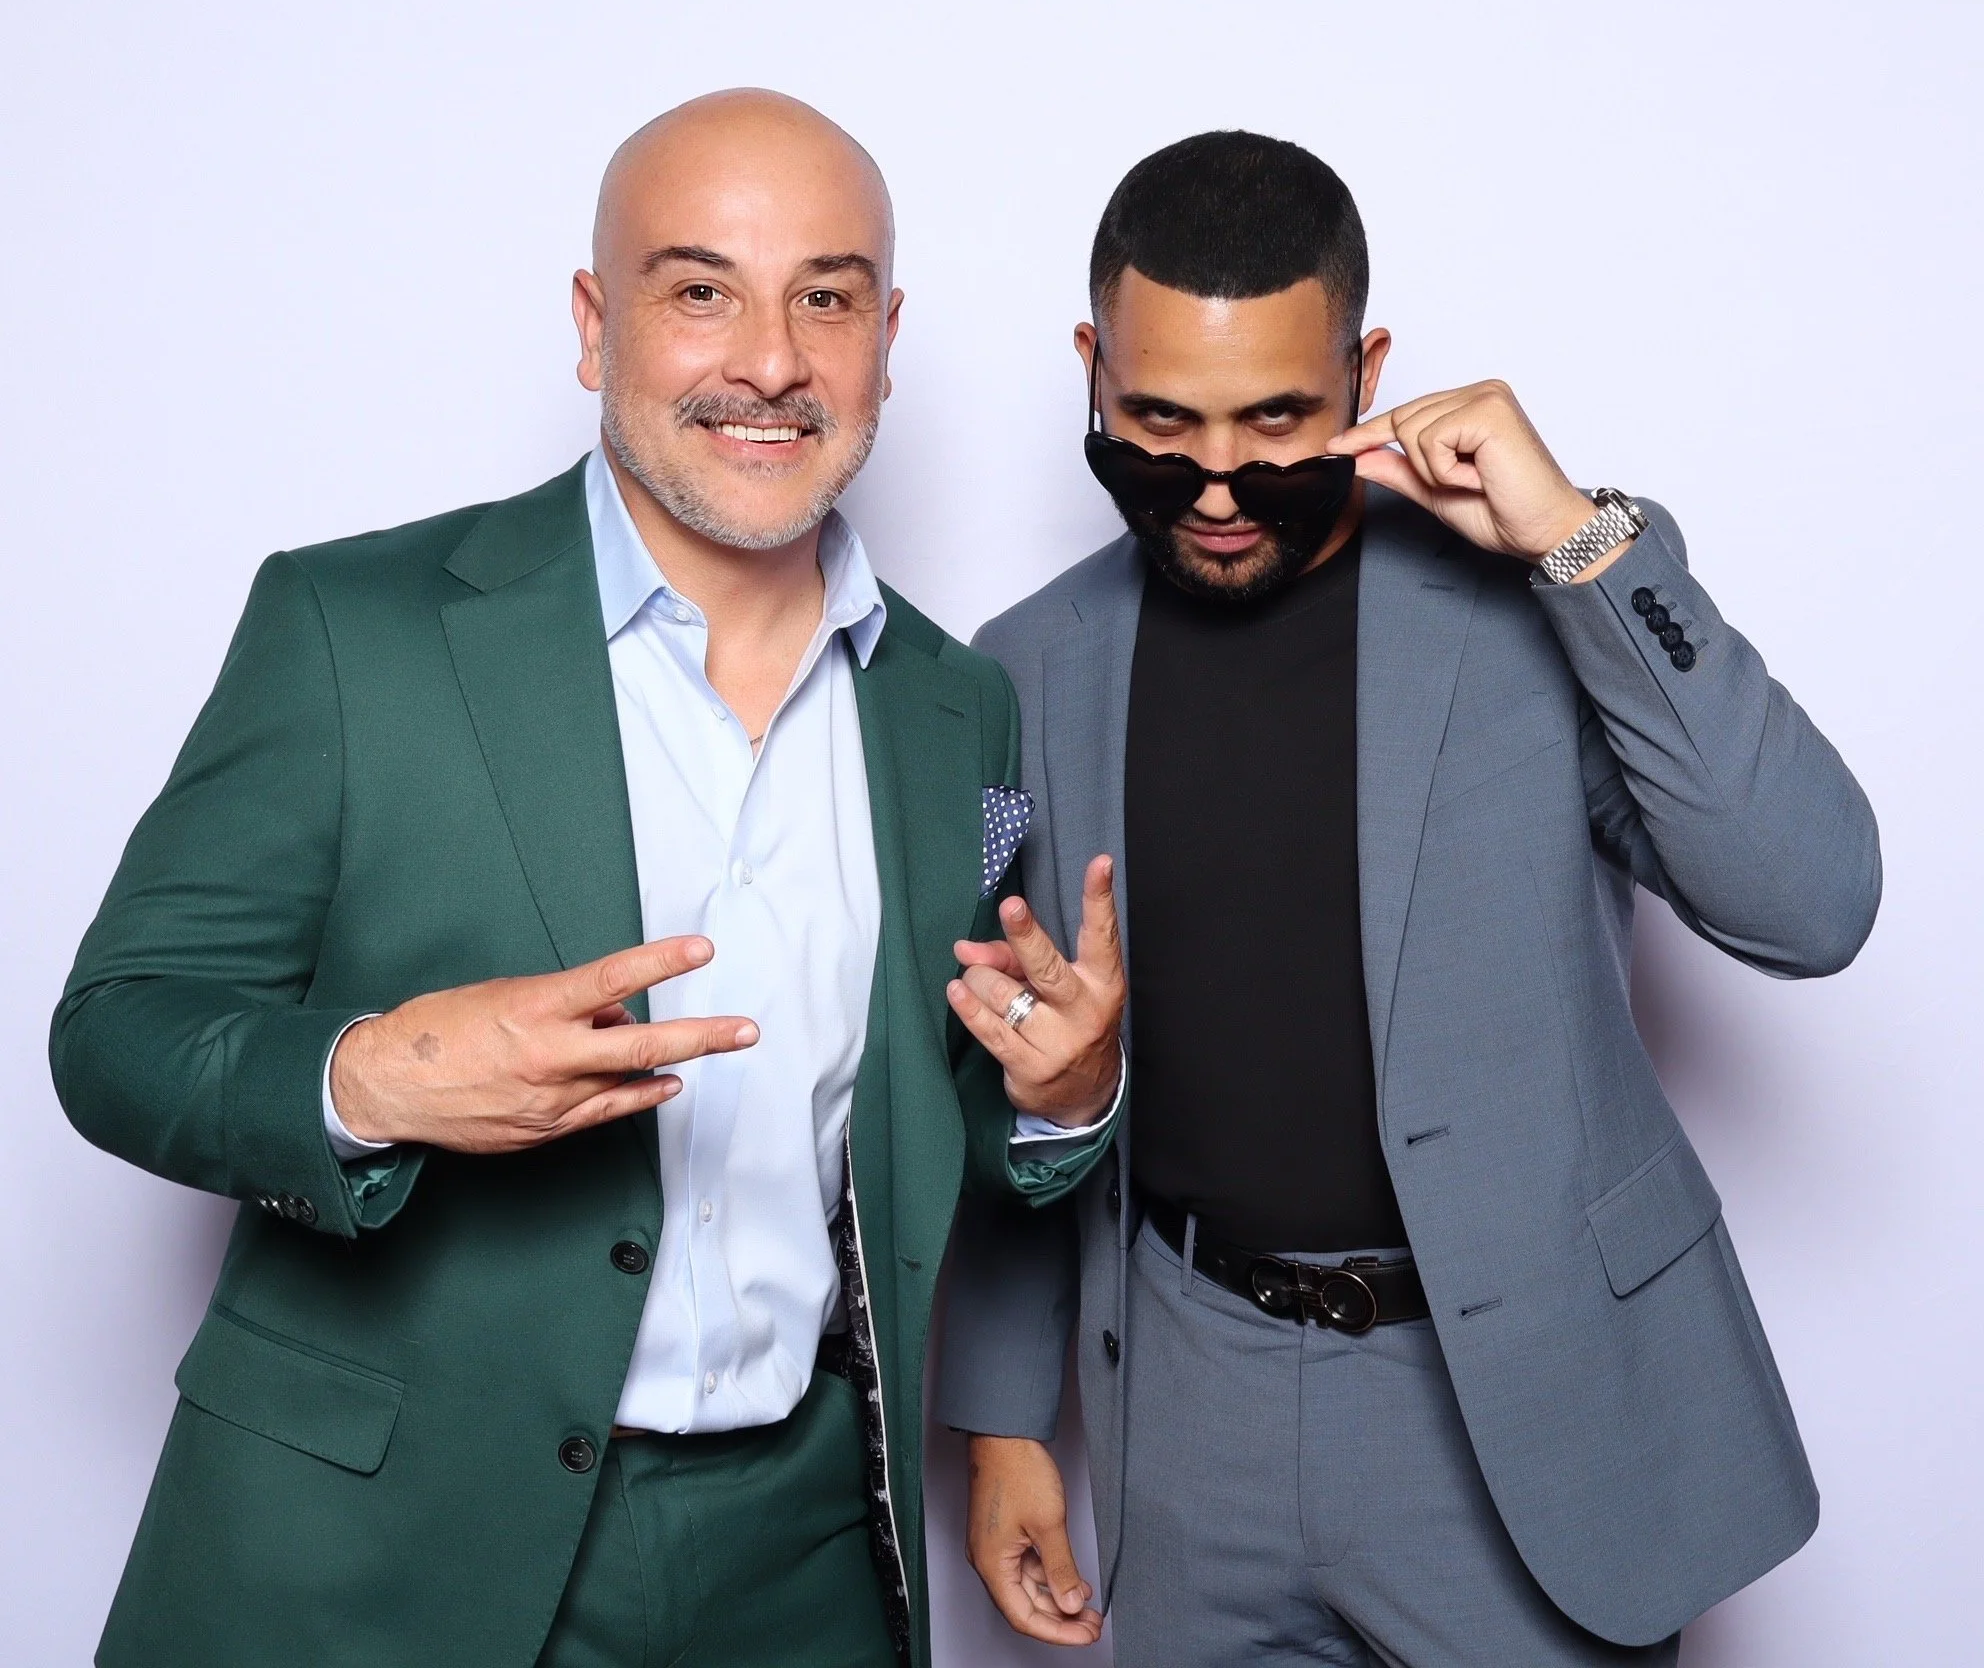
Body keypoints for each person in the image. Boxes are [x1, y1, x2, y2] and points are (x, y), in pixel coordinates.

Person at [50, 89, 1126, 1668]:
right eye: (702, 291)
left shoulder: (956, 707)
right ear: (591, 322)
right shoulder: (359, 632)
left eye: (824, 298)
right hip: (381, 1546)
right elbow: (118, 1032)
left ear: (885, 338)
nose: (771, 359)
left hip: (805, 1549)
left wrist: (1068, 1092)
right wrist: (374, 1074)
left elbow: (923, 1110)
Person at [937, 130, 1880, 1665]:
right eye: (1161, 421)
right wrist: (1001, 1422)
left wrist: (1577, 543)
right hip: (1189, 1408)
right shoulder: (1028, 666)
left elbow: (1812, 902)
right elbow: (1004, 1059)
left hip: (1516, 1405)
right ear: (1090, 368)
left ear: (1368, 368)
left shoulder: (1547, 599)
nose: (1222, 483)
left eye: (1277, 419)